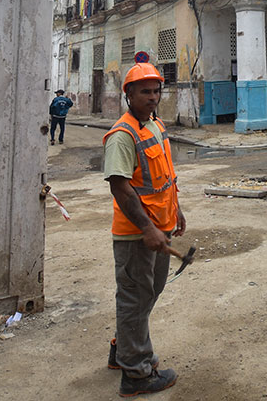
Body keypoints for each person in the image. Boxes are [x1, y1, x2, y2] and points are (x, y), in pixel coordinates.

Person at [103, 53, 184, 396]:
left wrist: (176, 210)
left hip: (161, 227)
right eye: (144, 92)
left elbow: (163, 176)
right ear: (129, 95)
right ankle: (136, 374)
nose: (152, 97)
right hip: (137, 235)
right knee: (136, 298)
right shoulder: (122, 135)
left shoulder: (155, 124)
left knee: (147, 294)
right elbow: (120, 186)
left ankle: (123, 348)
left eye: (156, 91)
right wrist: (148, 229)